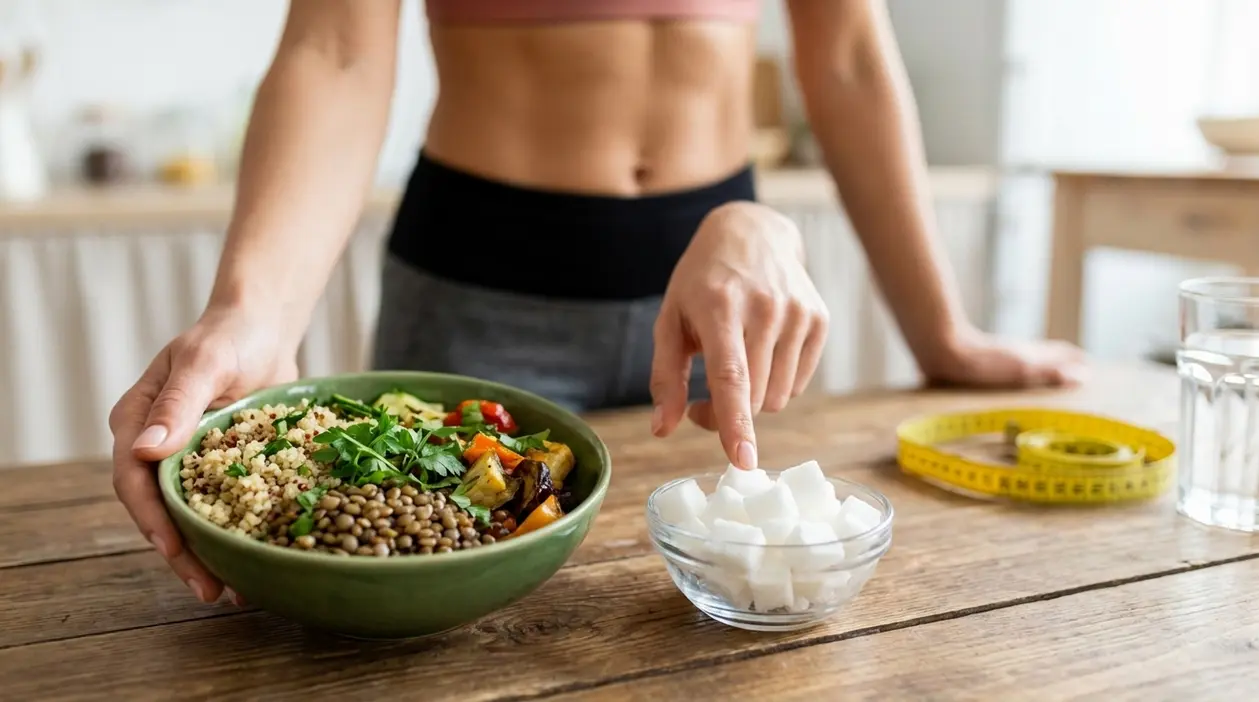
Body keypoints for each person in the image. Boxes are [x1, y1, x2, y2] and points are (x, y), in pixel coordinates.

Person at [110, 0, 1084, 604]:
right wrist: (252, 309)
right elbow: (336, 48)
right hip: (474, 302)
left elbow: (848, 56)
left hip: (717, 312)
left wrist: (940, 333)